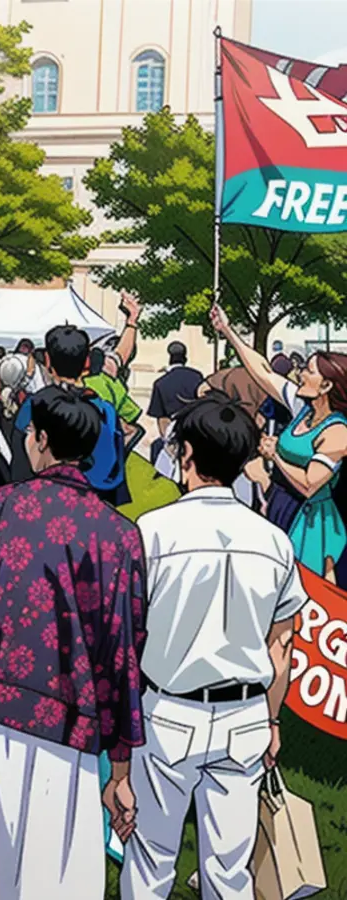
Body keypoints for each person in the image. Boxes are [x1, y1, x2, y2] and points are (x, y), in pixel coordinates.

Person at [0, 386, 147, 900]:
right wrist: (120, 759)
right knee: (57, 875)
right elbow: (125, 646)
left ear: (38, 440)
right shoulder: (118, 534)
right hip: (74, 718)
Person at [120, 392, 305, 900]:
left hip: (168, 713)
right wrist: (271, 720)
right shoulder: (273, 541)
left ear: (187, 456)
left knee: (151, 858)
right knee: (230, 869)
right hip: (244, 715)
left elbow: (129, 634)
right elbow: (281, 646)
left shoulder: (152, 532)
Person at [211, 303, 347, 581]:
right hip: (281, 505)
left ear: (327, 386)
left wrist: (275, 458)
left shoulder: (338, 432)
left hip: (312, 523)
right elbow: (262, 371)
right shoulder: (302, 408)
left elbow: (310, 484)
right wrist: (228, 330)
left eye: (309, 370)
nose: (300, 373)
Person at [15, 324, 131, 507]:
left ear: (47, 359)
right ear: (87, 361)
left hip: (40, 503)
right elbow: (113, 468)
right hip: (95, 504)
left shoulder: (34, 405)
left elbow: (19, 461)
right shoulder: (104, 409)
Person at [147, 340, 204, 463]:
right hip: (197, 432)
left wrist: (169, 444)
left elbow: (162, 419)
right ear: (185, 358)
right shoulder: (197, 376)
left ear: (170, 359)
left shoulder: (160, 383)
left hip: (175, 435)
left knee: (156, 449)